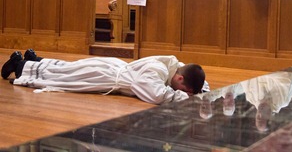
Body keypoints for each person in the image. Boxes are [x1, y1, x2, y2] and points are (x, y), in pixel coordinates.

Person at [1, 49, 207, 105]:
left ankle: (34, 59)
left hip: (112, 68)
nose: (182, 93)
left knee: (69, 68)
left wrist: (201, 91)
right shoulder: (160, 71)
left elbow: (194, 75)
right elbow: (157, 95)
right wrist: (183, 98)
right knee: (64, 77)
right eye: (183, 90)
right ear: (179, 80)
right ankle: (19, 65)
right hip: (105, 76)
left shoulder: (175, 65)